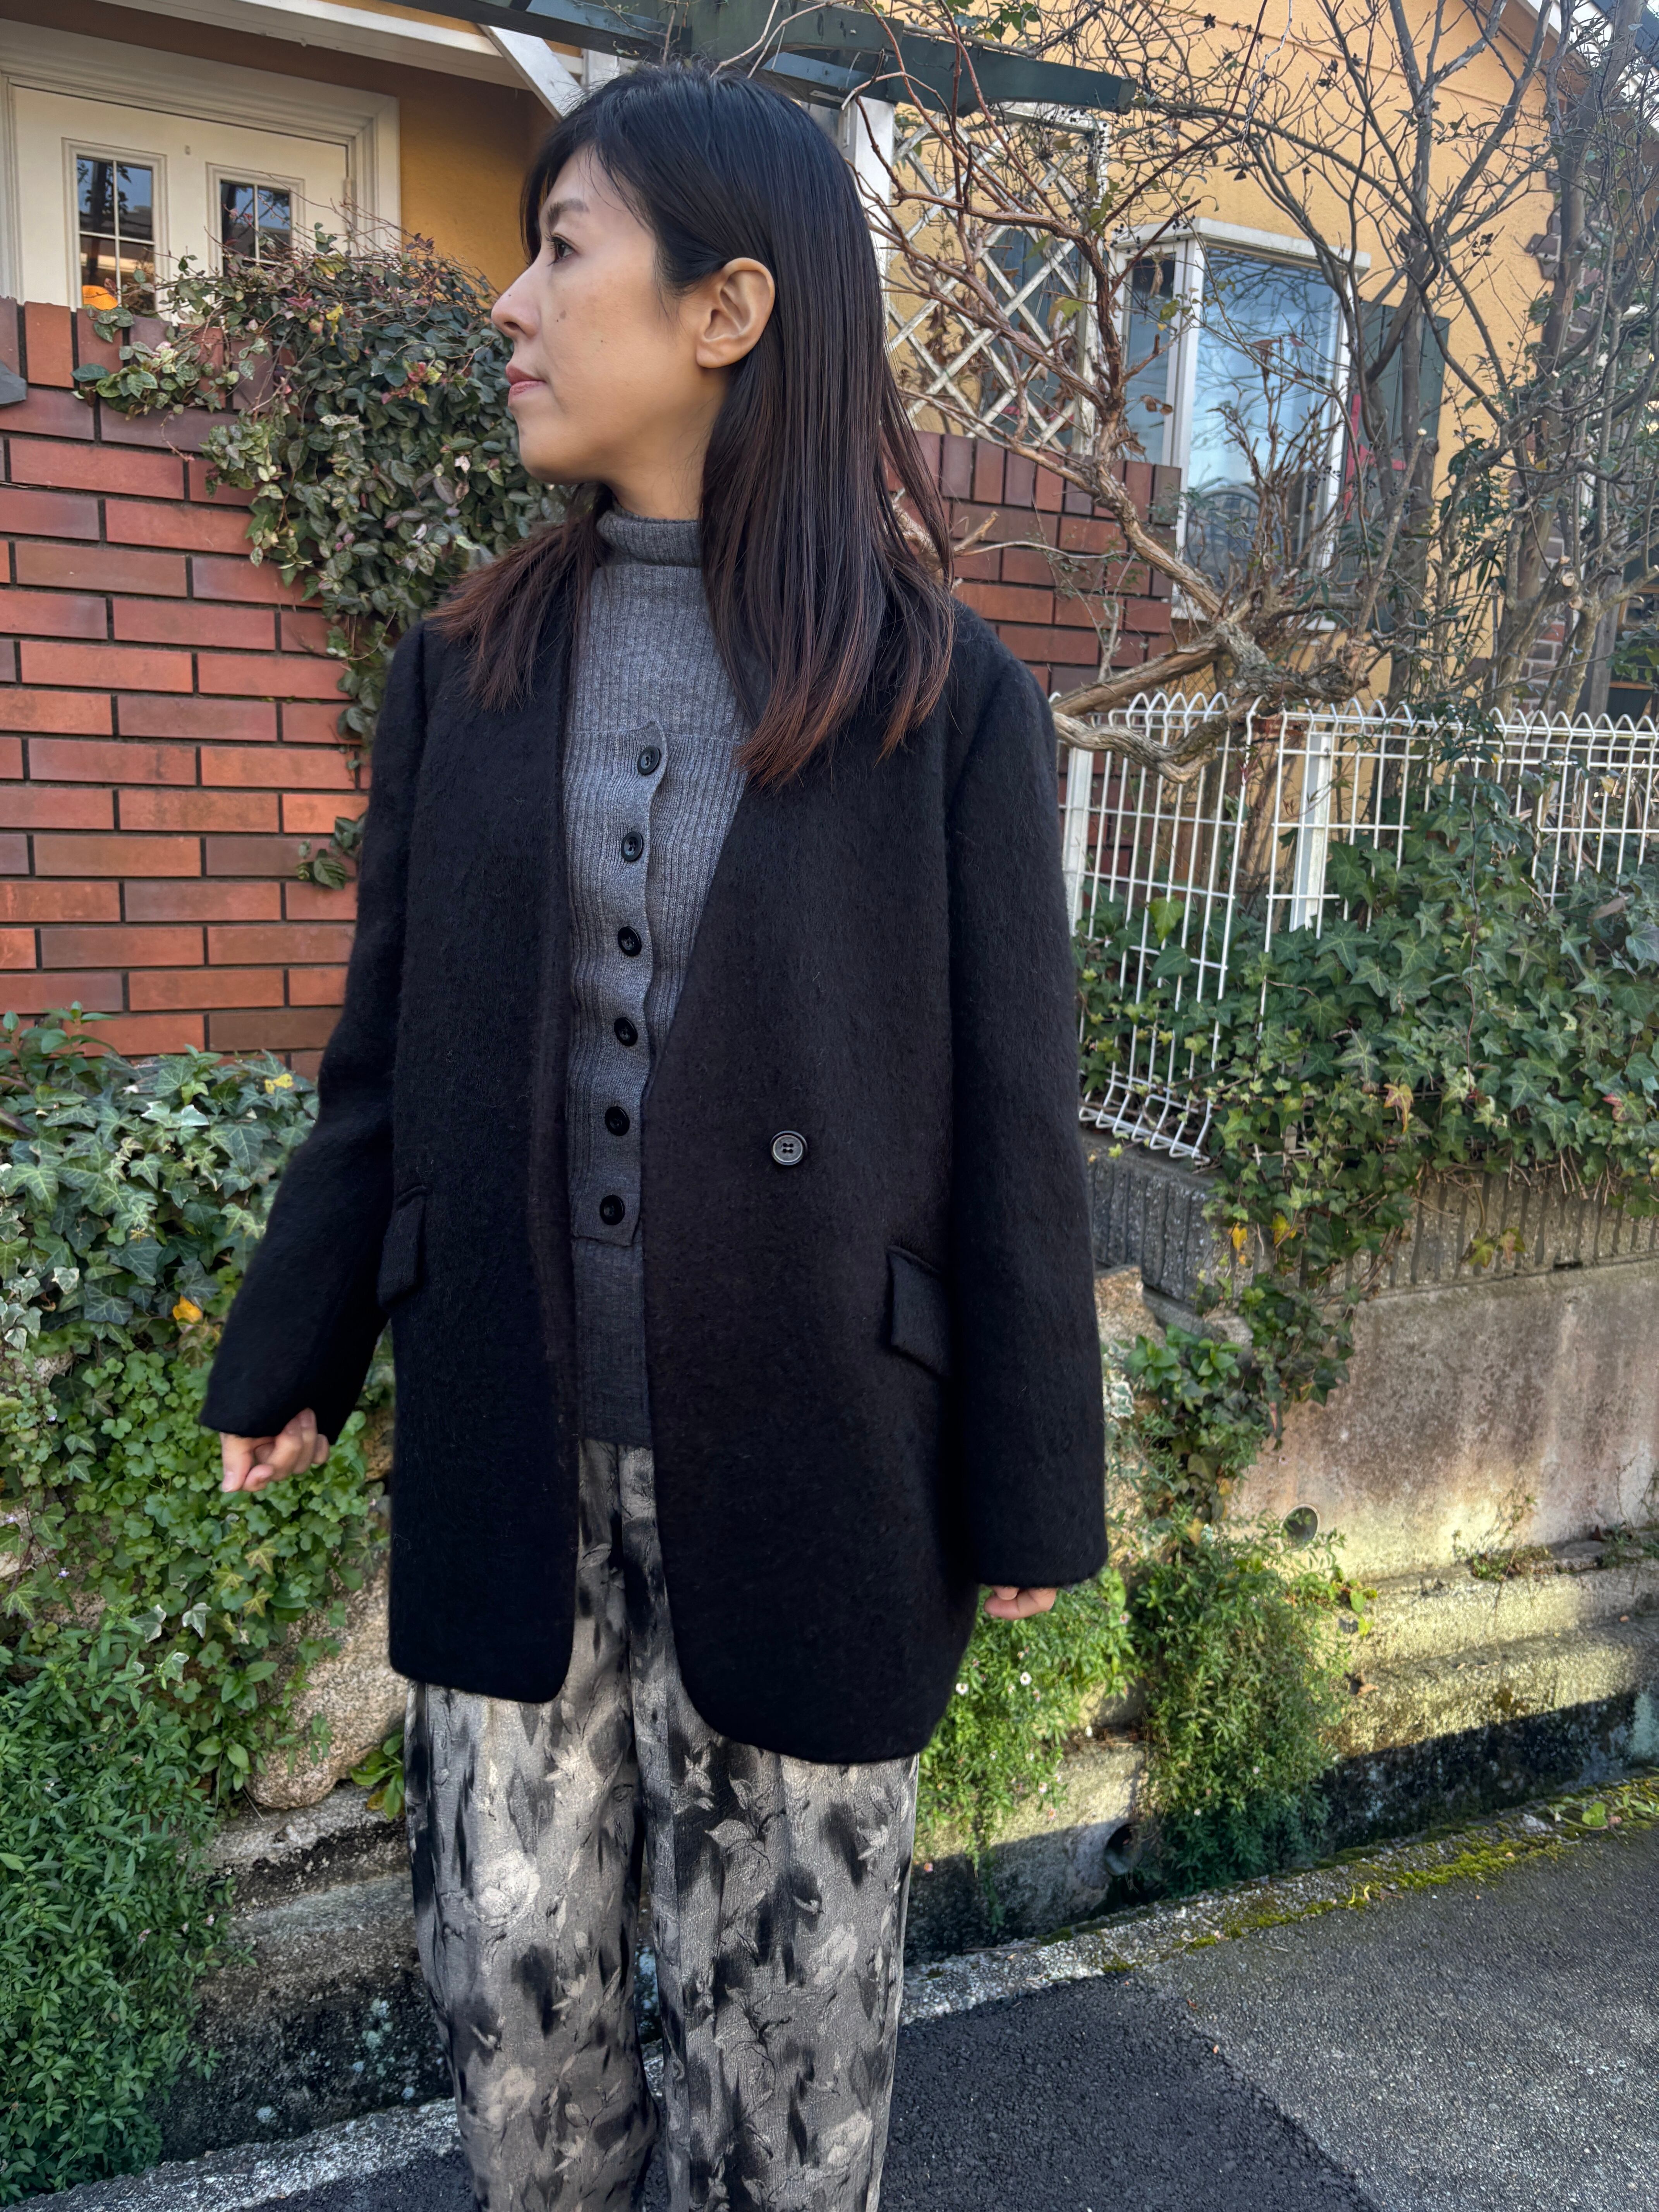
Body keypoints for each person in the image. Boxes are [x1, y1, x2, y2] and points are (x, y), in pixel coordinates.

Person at [204, 61, 1105, 2212]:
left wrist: (1033, 1479)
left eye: (562, 248)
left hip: (823, 1474)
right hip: (513, 1453)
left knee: (790, 2077)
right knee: (520, 2041)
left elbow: (1013, 1123)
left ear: (728, 307)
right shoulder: (466, 668)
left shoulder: (940, 697)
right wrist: (294, 1342)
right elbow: (384, 1058)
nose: (510, 305)